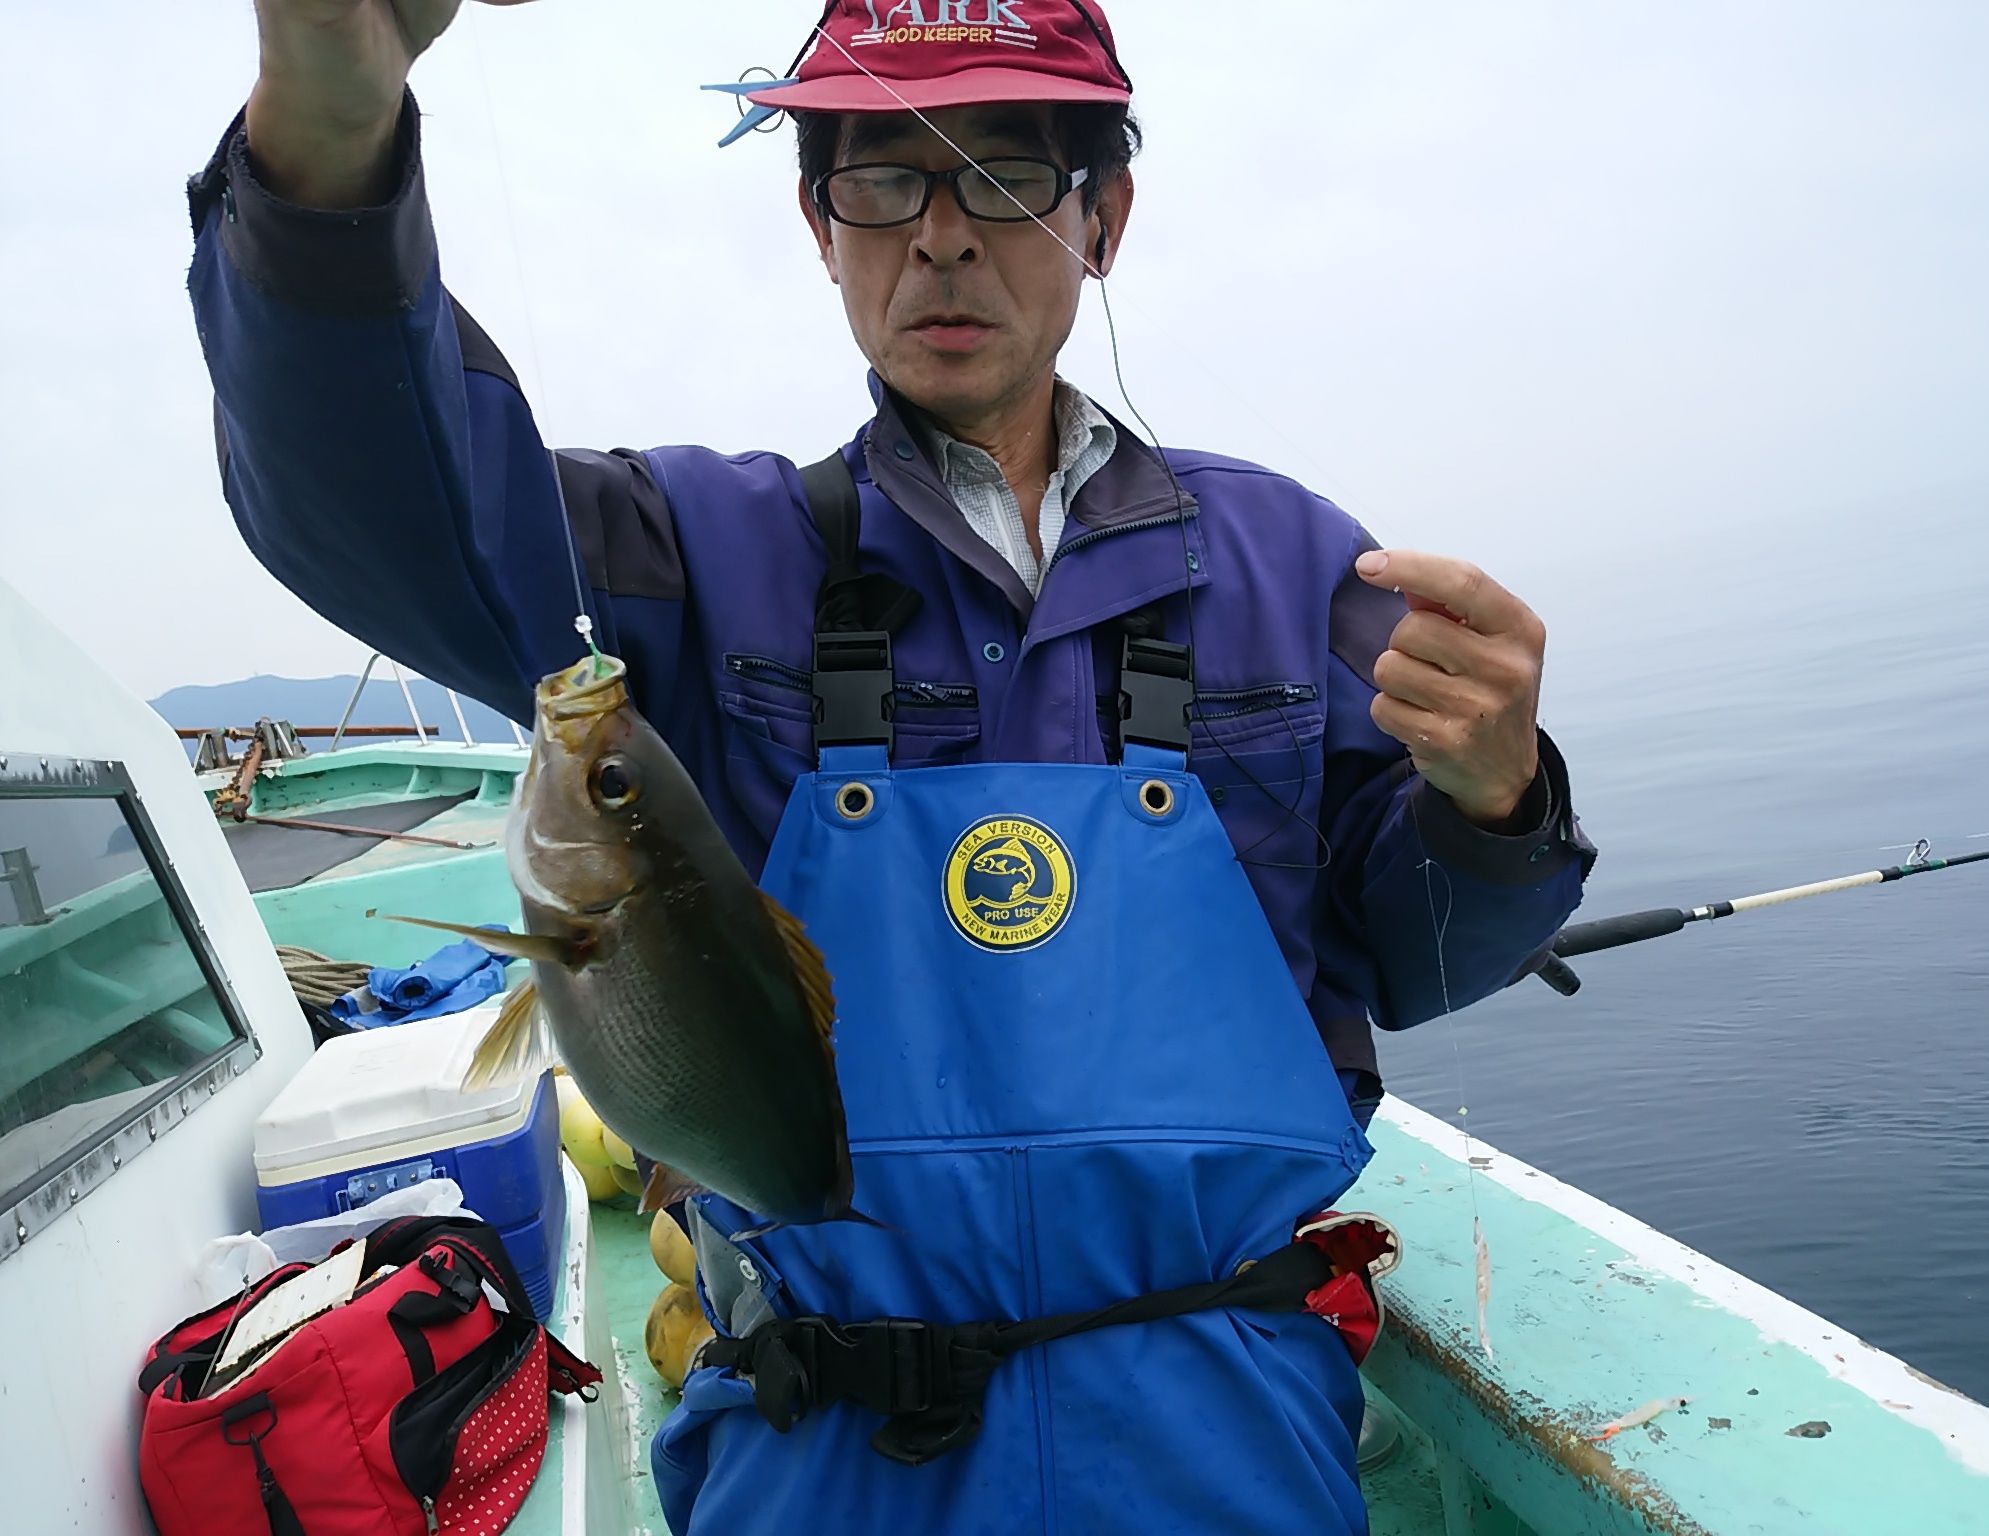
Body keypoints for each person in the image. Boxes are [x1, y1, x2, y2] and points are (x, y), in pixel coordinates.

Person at [185, 2, 1596, 1530]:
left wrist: (1495, 799)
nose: (940, 235)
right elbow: (376, 502)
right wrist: (329, 116)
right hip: (826, 1431)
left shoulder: (1300, 564)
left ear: (1104, 217)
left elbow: (1407, 953)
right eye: (880, 182)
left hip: (1226, 1418)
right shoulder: (691, 556)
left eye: (1004, 176)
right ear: (819, 223)